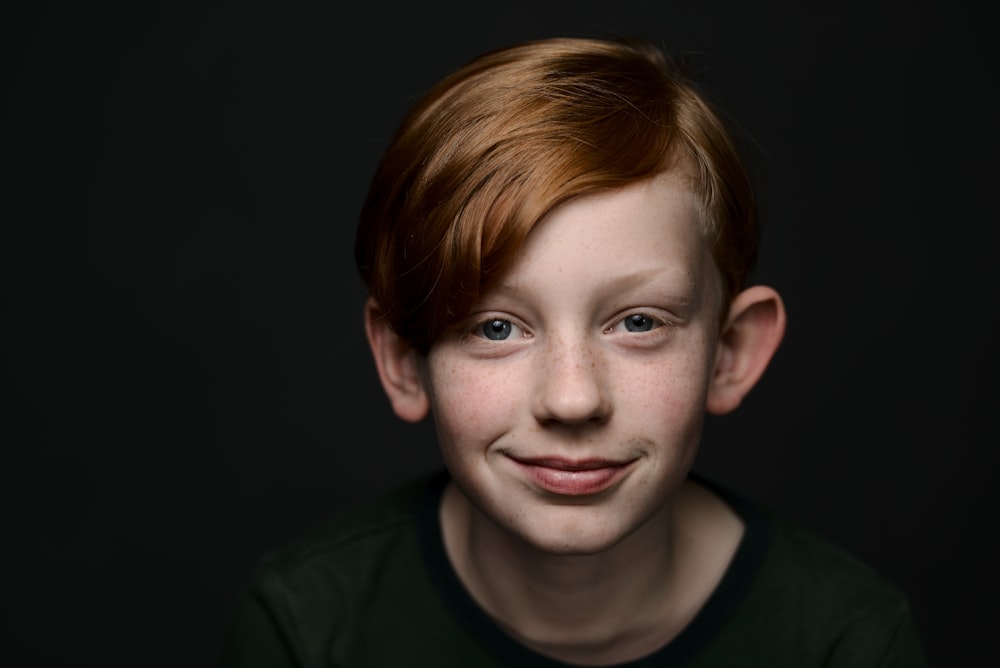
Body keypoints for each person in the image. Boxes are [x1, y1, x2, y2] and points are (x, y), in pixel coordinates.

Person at [220, 36, 926, 666]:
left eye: (638, 322)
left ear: (730, 351)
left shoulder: (845, 640)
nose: (572, 398)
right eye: (496, 328)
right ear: (406, 361)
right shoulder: (308, 629)